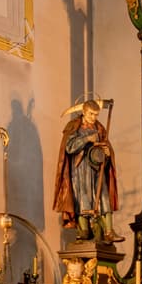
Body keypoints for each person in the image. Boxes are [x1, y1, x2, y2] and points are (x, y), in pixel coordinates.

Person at [54, 98, 119, 241]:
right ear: (84, 112)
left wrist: (107, 153)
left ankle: (109, 230)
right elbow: (69, 147)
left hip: (96, 169)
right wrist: (87, 139)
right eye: (91, 114)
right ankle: (83, 230)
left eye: (96, 114)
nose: (94, 118)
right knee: (83, 198)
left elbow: (105, 148)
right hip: (80, 169)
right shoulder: (74, 127)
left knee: (103, 197)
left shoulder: (99, 128)